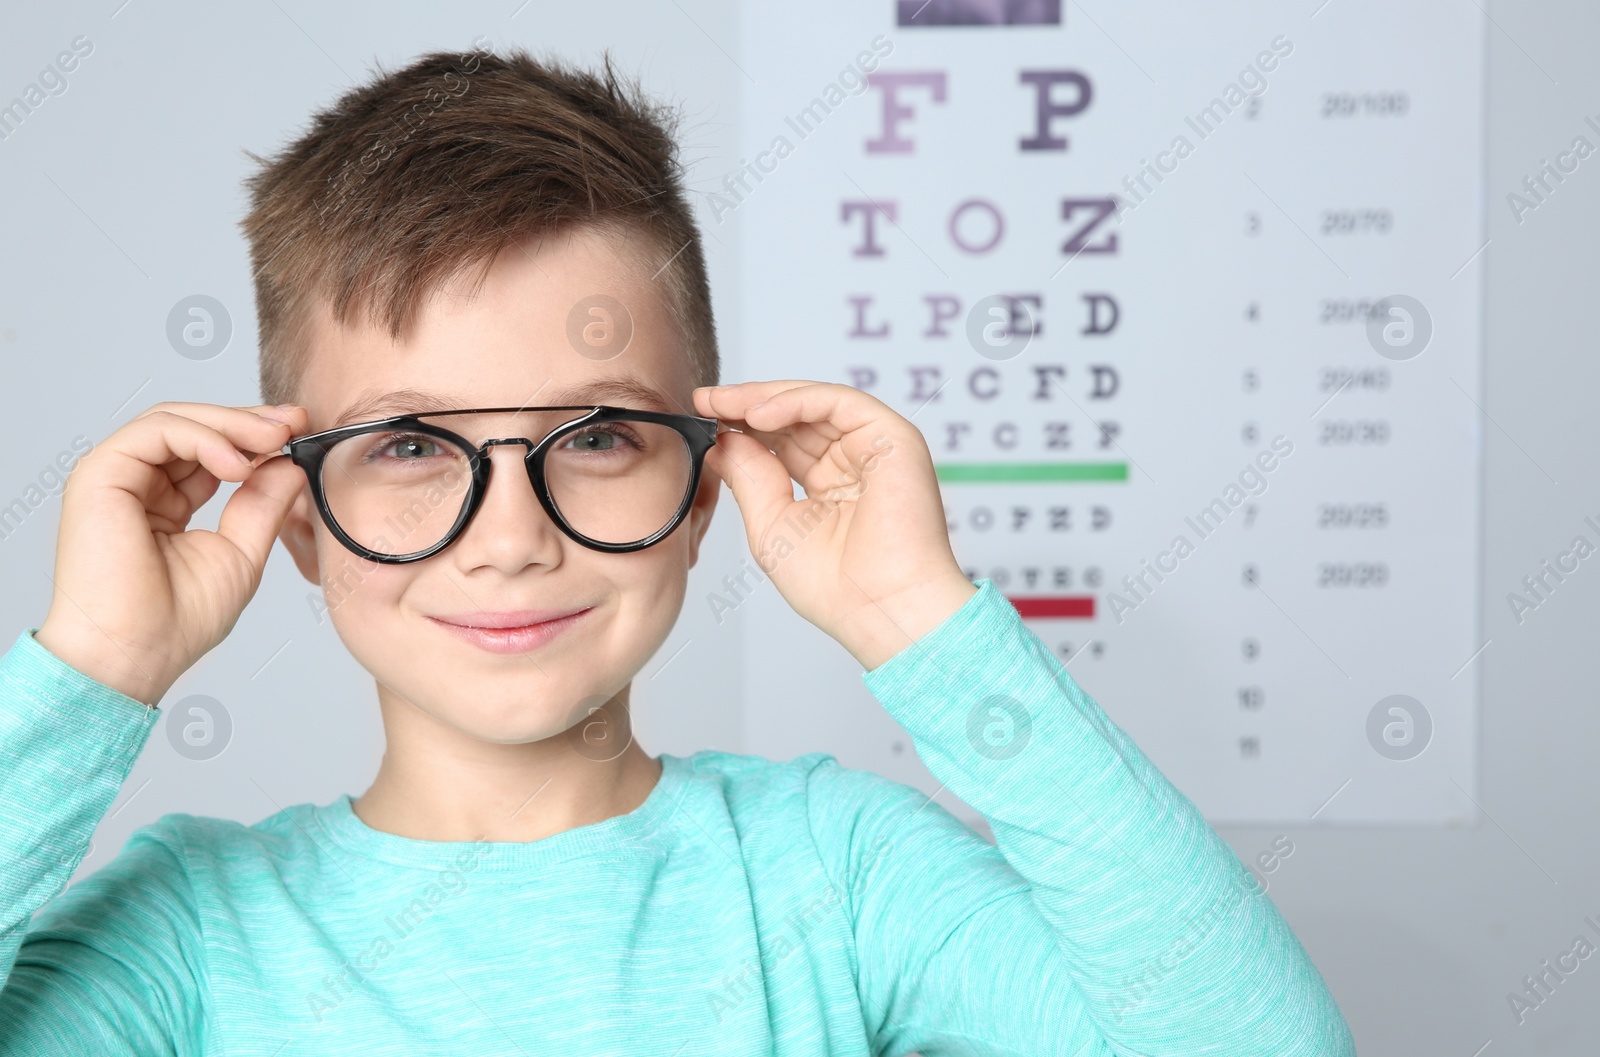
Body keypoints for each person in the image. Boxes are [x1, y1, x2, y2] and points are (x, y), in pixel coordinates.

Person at [0, 44, 1356, 1054]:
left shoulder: (834, 872)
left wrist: (916, 617)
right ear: (293, 510)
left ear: (708, 481)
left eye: (594, 435)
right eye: (411, 448)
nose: (513, 540)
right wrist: (92, 667)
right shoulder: (187, 937)